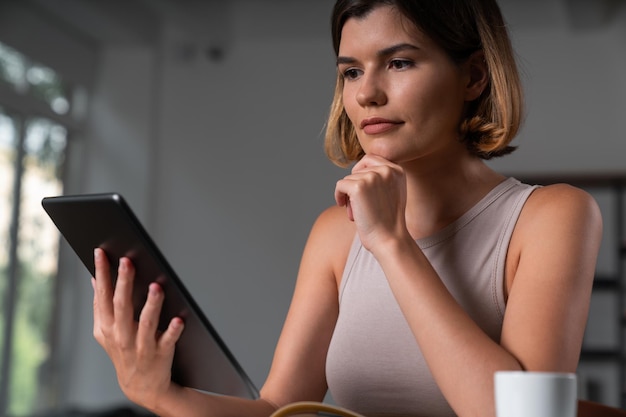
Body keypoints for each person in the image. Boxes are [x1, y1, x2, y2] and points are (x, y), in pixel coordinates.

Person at [91, 0, 603, 416]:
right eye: (351, 71)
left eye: (399, 63)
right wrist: (160, 394)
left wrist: (392, 243)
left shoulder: (553, 217)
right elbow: (279, 408)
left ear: (473, 77)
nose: (367, 94)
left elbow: (522, 415)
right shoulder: (335, 233)